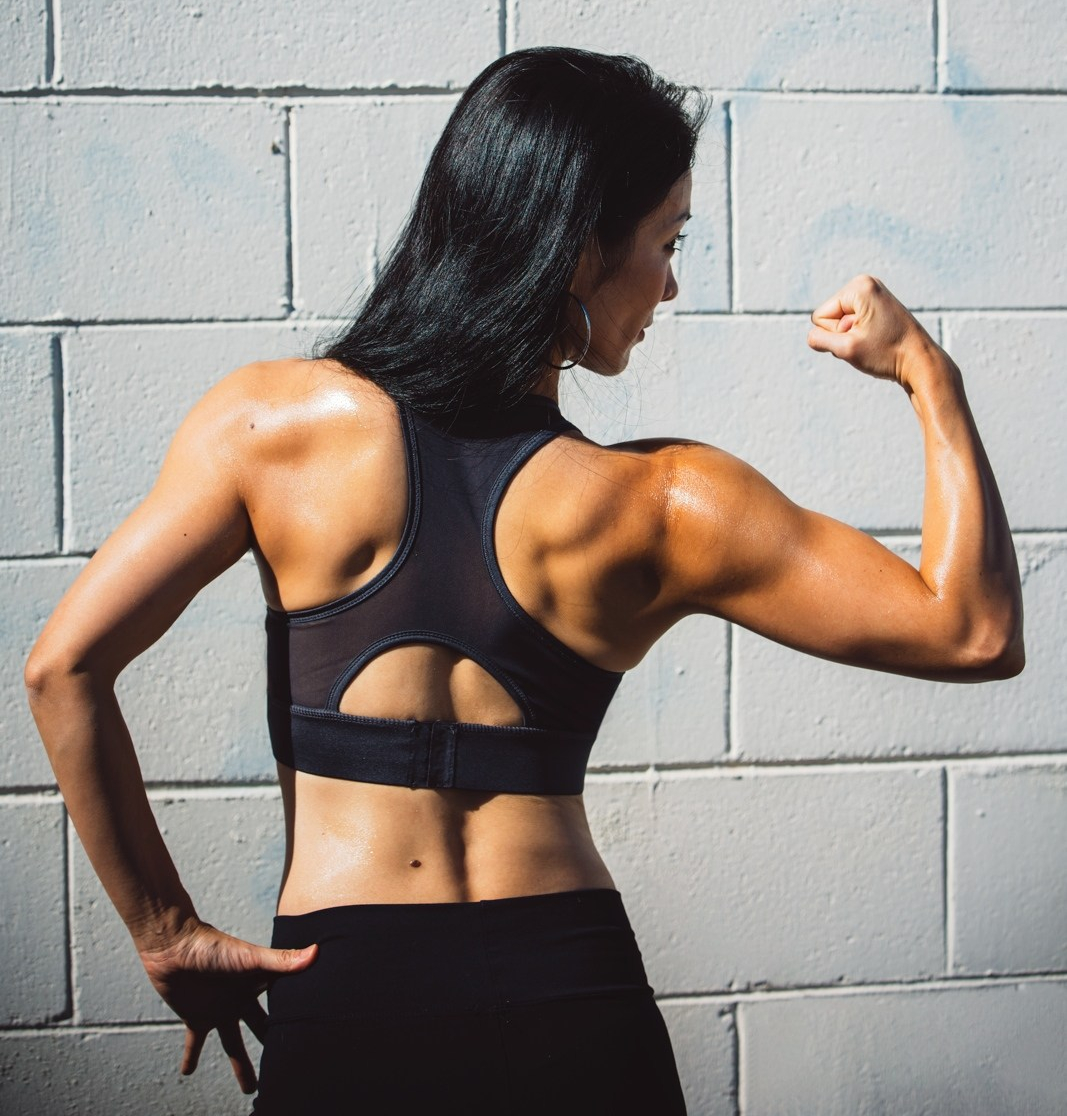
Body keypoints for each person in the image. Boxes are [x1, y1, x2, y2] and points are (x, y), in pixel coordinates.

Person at [25, 46, 1023, 1115]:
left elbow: (61, 669)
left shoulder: (268, 426)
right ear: (580, 251)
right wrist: (927, 374)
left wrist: (164, 929)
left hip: (346, 991)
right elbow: (971, 631)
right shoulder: (664, 503)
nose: (671, 284)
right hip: (569, 994)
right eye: (666, 243)